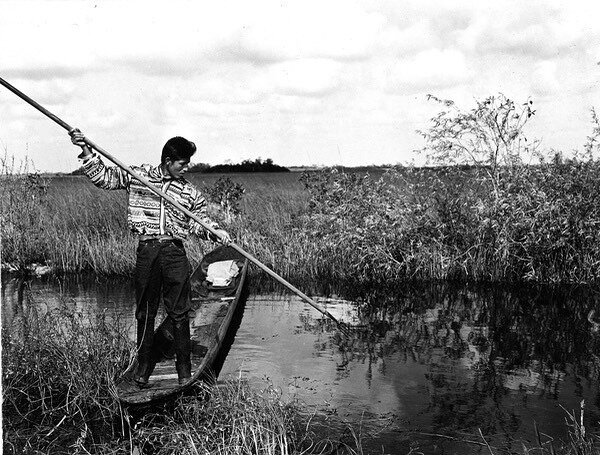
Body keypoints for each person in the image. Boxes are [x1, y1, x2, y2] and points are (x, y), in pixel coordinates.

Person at [70, 129, 232, 387]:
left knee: (180, 312)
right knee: (145, 312)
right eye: (183, 163)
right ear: (168, 161)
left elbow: (199, 224)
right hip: (147, 251)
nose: (186, 168)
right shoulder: (139, 176)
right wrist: (86, 149)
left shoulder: (189, 193)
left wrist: (217, 233)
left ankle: (184, 371)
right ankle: (143, 367)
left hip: (174, 252)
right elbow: (103, 178)